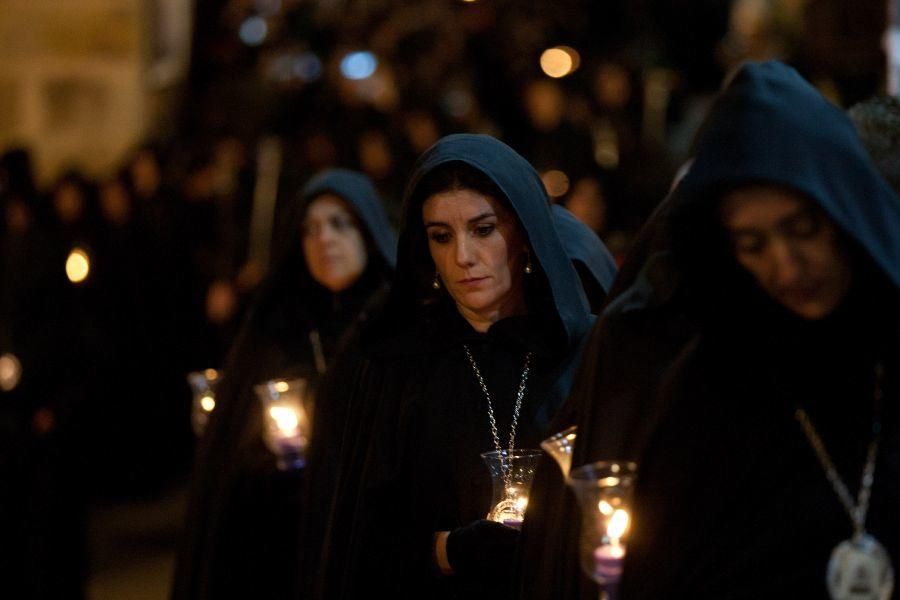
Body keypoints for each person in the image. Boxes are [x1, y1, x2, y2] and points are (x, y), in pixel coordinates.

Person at [557, 60, 900, 598]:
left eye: (801, 229)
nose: (786, 267)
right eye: (753, 244)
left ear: (842, 211)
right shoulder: (709, 387)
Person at [308, 134, 595, 599]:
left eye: (483, 229)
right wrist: (451, 551)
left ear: (523, 234)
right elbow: (362, 546)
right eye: (442, 236)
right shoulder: (397, 367)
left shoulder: (585, 351)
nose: (463, 256)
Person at [172, 168, 396, 600]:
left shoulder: (400, 326)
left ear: (369, 230)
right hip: (283, 545)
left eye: (339, 224)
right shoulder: (277, 330)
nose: (324, 240)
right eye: (309, 229)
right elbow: (235, 460)